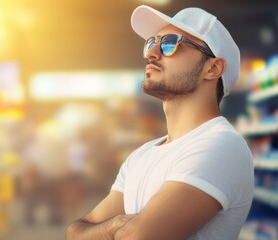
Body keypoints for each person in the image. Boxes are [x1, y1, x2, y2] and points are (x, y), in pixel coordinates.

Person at [66, 5, 254, 240]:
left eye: (170, 43)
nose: (151, 52)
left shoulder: (222, 145)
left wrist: (111, 231)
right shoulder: (141, 155)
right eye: (151, 42)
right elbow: (75, 232)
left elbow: (138, 237)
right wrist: (116, 225)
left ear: (213, 68)